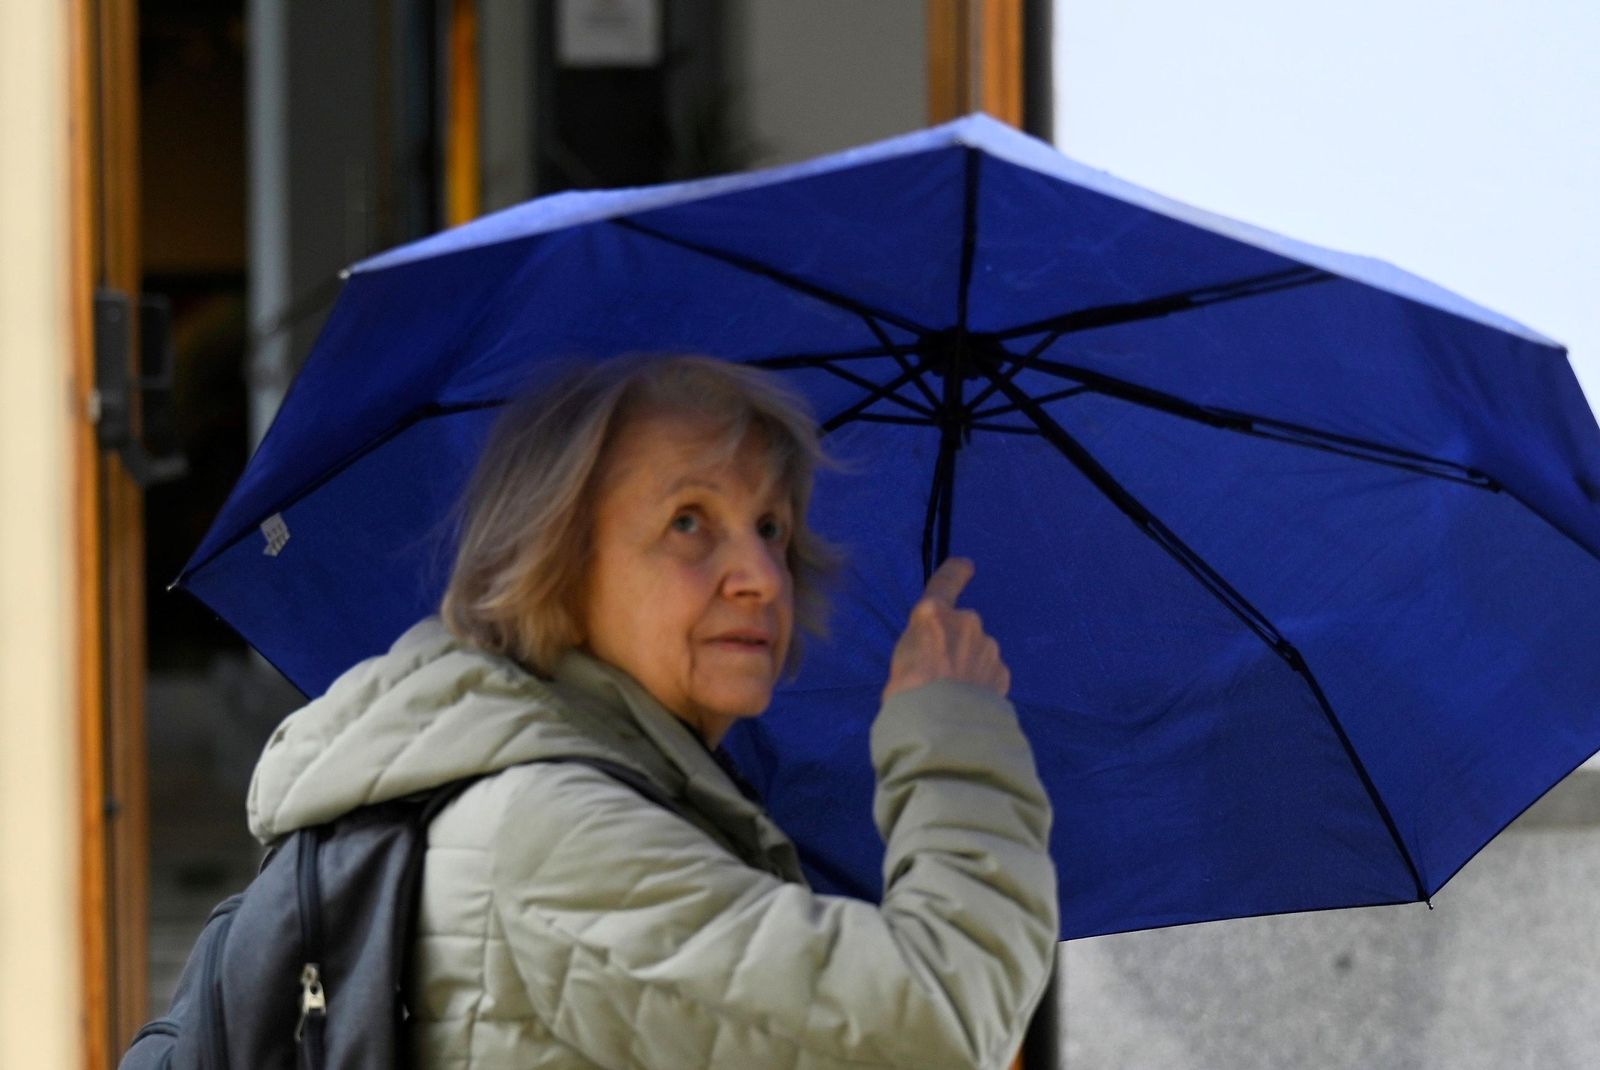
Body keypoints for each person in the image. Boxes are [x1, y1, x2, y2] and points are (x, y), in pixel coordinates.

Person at [246, 354, 1059, 1068]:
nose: (763, 578)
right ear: (554, 560)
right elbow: (941, 1029)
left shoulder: (620, 790)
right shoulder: (556, 831)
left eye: (771, 526)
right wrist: (953, 736)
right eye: (688, 523)